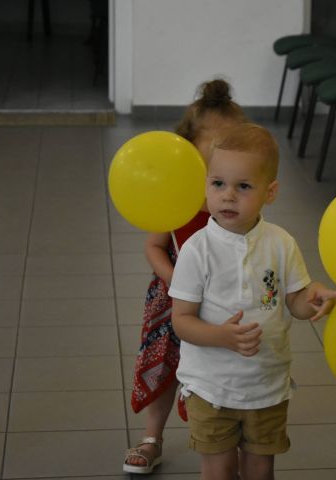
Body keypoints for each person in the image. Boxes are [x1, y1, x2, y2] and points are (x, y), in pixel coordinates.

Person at [168, 122, 336, 480]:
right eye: (218, 184)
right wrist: (223, 336)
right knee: (218, 472)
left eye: (243, 186)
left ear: (271, 192)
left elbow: (293, 301)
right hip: (210, 386)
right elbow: (181, 321)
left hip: (266, 385)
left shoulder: (281, 243)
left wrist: (313, 298)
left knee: (260, 471)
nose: (228, 195)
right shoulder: (196, 250)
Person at [123, 79, 247, 475]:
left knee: (222, 374)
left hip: (225, 300)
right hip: (174, 298)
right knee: (164, 366)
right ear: (187, 150)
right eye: (209, 160)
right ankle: (151, 438)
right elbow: (154, 247)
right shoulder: (178, 196)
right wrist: (177, 282)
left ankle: (222, 442)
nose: (220, 180)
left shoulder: (239, 201)